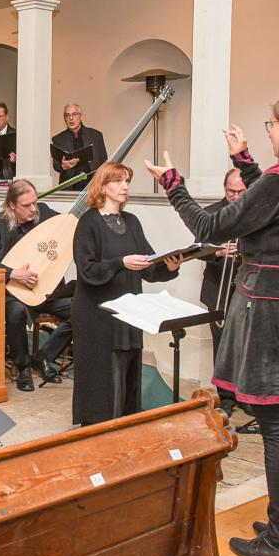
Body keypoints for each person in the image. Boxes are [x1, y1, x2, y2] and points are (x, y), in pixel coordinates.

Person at [146, 92, 279, 556]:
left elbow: (211, 225)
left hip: (272, 311)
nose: (269, 130)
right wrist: (245, 161)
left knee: (278, 423)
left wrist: (173, 184)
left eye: (272, 124)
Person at [72, 161, 180, 425]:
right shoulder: (88, 222)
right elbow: (87, 271)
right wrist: (120, 263)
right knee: (104, 375)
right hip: (97, 314)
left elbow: (147, 267)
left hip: (129, 311)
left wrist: (169, 268)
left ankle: (125, 424)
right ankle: (100, 426)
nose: (125, 187)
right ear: (103, 186)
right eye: (118, 181)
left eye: (127, 181)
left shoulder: (132, 221)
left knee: (127, 371)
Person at [0, 180, 72, 391]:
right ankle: (23, 366)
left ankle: (44, 356)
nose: (33, 209)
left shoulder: (43, 213)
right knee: (16, 312)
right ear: (11, 205)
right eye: (27, 205)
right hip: (14, 293)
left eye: (35, 202)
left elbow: (67, 226)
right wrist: (13, 273)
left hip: (45, 292)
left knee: (82, 307)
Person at [199, 167, 248, 418]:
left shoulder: (256, 213)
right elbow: (198, 249)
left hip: (248, 290)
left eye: (241, 191)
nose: (236, 196)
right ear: (224, 189)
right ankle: (226, 396)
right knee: (222, 346)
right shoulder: (210, 214)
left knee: (246, 345)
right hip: (218, 288)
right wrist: (217, 252)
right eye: (231, 191)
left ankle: (244, 394)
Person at [51, 104, 107, 190]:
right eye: (67, 115)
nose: (71, 118)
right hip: (69, 189)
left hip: (93, 188)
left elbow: (104, 161)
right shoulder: (58, 139)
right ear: (64, 118)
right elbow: (56, 165)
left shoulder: (96, 135)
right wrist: (63, 166)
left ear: (80, 116)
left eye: (74, 114)